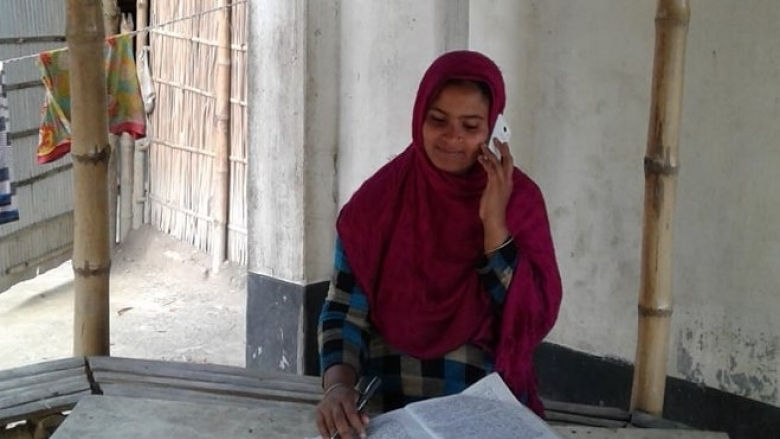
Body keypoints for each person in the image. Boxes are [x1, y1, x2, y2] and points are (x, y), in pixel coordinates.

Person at [315, 50, 562, 439]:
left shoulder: (519, 201)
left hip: (482, 408)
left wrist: (495, 228)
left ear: (494, 127)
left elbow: (530, 320)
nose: (452, 138)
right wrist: (338, 388)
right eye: (438, 120)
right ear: (419, 118)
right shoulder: (378, 203)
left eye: (471, 125)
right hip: (389, 406)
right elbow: (344, 312)